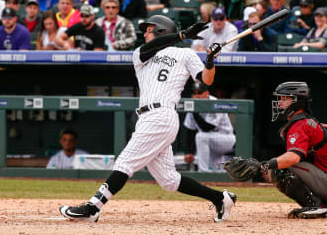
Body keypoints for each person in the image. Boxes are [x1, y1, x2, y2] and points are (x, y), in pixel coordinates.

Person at [59, 15, 236, 223]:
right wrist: (181, 35)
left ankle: (92, 208)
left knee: (125, 163)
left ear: (161, 30)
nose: (144, 33)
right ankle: (221, 199)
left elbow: (206, 81)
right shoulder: (140, 54)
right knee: (169, 180)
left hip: (161, 115)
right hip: (147, 117)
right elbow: (156, 45)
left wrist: (209, 60)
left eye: (149, 29)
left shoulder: (186, 54)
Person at [259, 81, 327, 218]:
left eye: (284, 99)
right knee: (282, 163)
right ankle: (324, 206)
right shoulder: (305, 120)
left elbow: (293, 157)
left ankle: (317, 206)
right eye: (280, 98)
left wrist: (262, 165)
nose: (280, 103)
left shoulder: (300, 124)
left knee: (280, 168)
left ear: (297, 101)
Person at [183, 82, 235, 172]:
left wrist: (194, 112)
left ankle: (203, 172)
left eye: (199, 93)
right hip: (211, 141)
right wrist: (189, 152)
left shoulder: (214, 102)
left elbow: (207, 128)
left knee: (201, 136)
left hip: (225, 139)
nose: (197, 96)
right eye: (194, 94)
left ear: (207, 93)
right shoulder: (192, 104)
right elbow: (189, 130)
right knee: (216, 170)